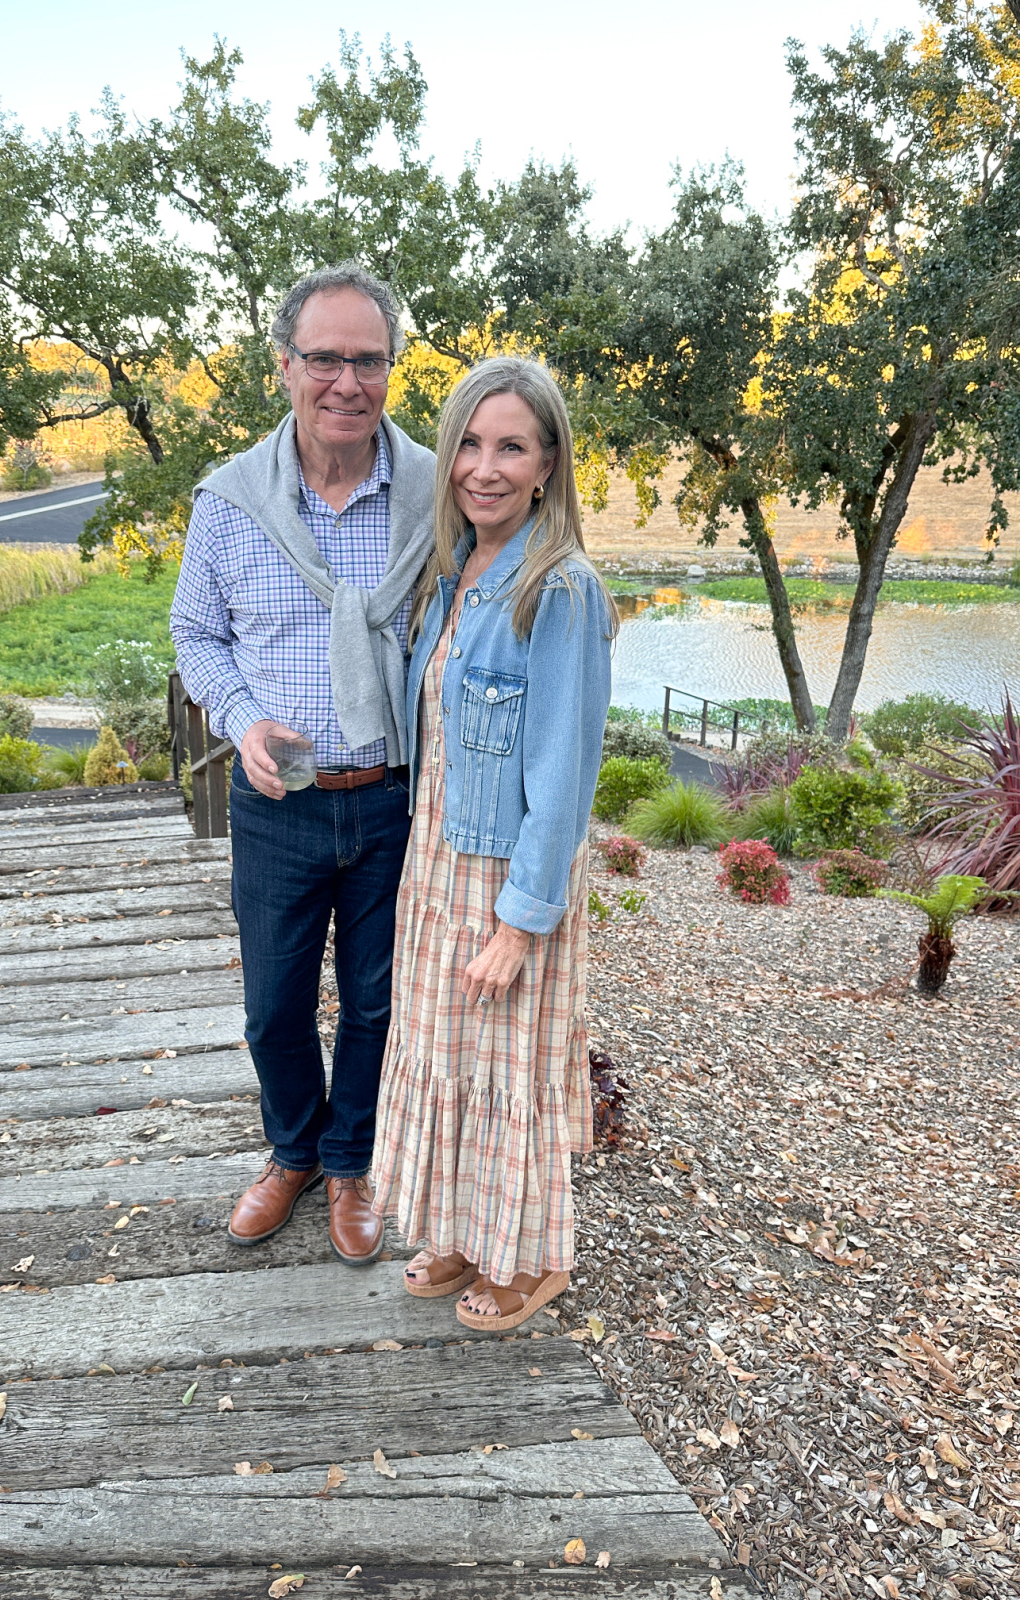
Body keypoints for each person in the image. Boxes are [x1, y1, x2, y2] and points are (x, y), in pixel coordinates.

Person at [170, 262, 436, 1267]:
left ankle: (349, 1160)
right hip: (277, 801)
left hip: (391, 799)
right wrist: (240, 719)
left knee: (375, 1001)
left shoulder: (429, 489)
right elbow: (196, 633)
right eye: (324, 358)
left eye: (368, 361)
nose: (347, 382)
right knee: (275, 999)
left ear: (390, 371)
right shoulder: (232, 500)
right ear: (285, 366)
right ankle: (291, 1152)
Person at [371, 355, 618, 1331]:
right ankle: (471, 1232)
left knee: (509, 1066)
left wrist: (521, 923)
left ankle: (534, 1261)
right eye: (469, 443)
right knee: (450, 1056)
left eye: (510, 445)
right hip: (434, 857)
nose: (484, 466)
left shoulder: (559, 589)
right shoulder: (453, 574)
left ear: (549, 463)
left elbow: (565, 774)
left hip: (507, 868)